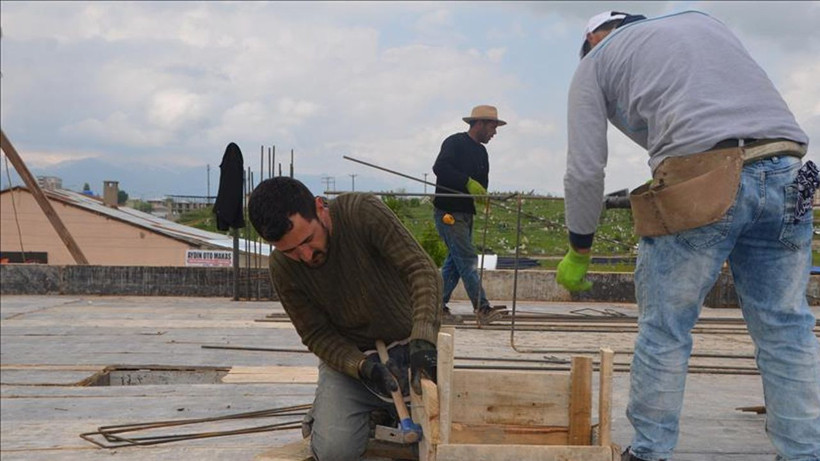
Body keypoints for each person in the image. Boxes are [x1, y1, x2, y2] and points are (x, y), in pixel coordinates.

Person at [559, 10, 820, 461]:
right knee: (786, 326)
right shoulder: (705, 23)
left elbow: (584, 170)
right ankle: (804, 452)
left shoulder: (595, 62)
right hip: (792, 167)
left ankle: (649, 453)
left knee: (665, 328)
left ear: (592, 37)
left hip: (701, 172)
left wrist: (580, 245)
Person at [248, 177, 441, 461]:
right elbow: (316, 335)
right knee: (334, 451)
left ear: (319, 207)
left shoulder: (361, 213)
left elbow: (423, 271)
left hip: (411, 344)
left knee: (443, 435)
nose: (305, 255)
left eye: (307, 239)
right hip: (356, 365)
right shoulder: (283, 269)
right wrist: (362, 367)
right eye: (289, 250)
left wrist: (423, 341)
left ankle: (380, 410)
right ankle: (346, 409)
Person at [432, 104, 506, 325]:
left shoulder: (482, 152)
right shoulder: (454, 143)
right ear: (480, 124)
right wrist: (466, 182)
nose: (494, 133)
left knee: (454, 263)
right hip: (449, 213)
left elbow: (481, 184)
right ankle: (482, 308)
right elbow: (440, 168)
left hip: (466, 212)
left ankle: (435, 308)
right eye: (492, 127)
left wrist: (482, 194)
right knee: (467, 259)